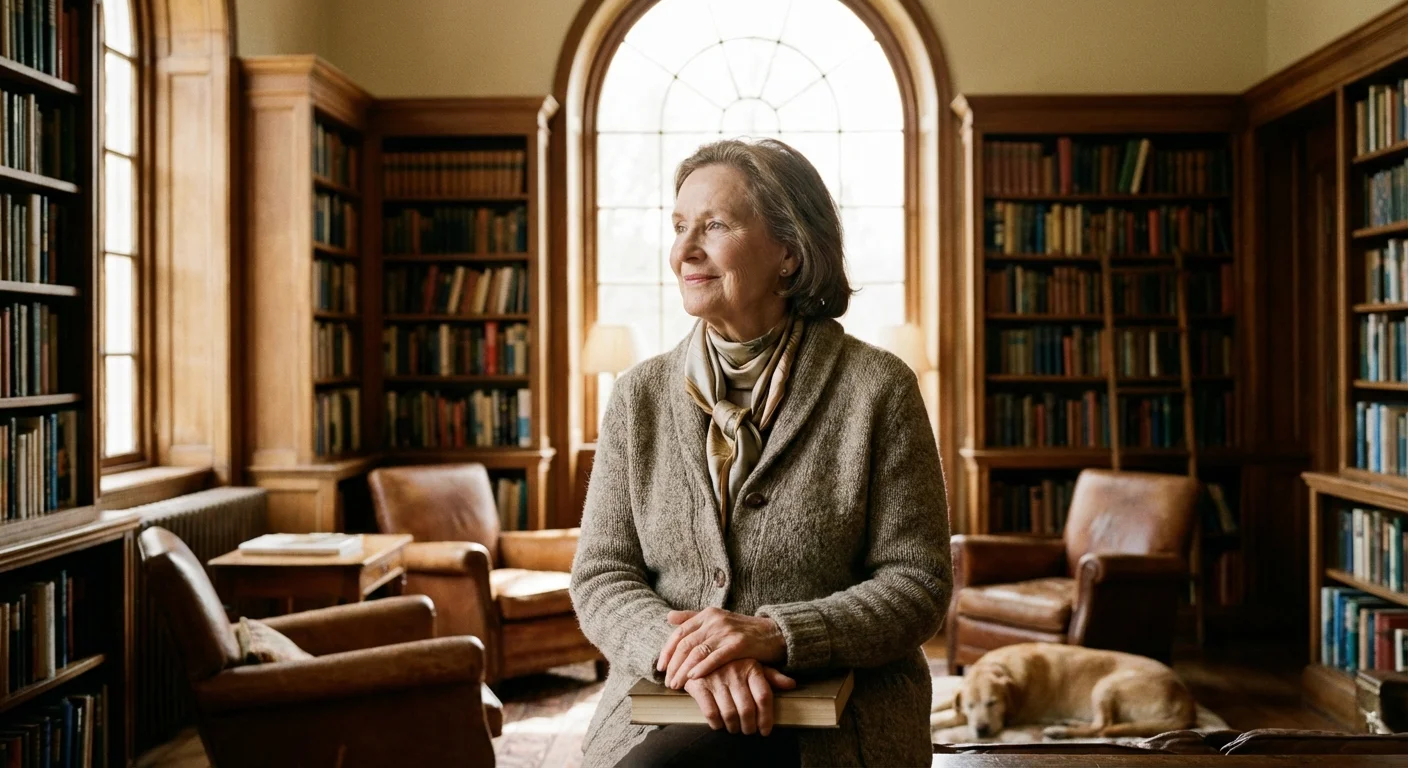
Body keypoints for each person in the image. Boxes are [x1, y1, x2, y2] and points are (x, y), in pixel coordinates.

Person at [570, 137, 951, 767]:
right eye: (679, 227)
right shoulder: (639, 396)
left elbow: (917, 583)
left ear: (790, 253)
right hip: (668, 700)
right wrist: (691, 659)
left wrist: (774, 635)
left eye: (714, 225)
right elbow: (601, 575)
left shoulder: (878, 388)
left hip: (838, 720)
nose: (683, 252)